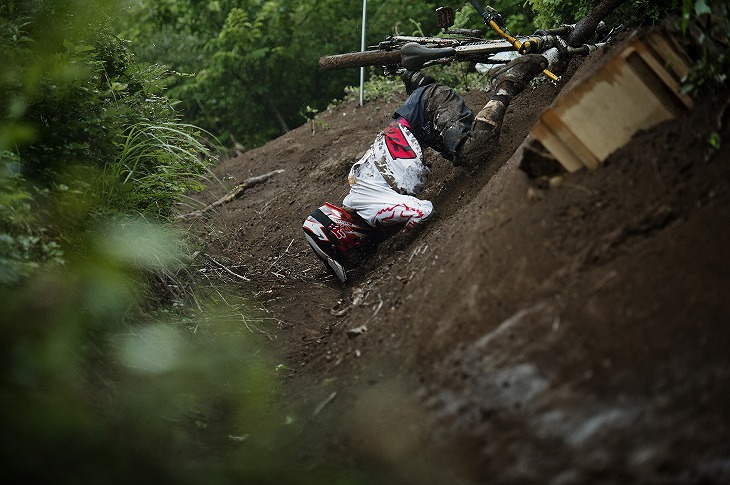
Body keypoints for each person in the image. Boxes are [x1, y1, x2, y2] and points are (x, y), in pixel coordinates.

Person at [303, 52, 552, 282]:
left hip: (428, 110)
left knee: (474, 152)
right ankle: (419, 83)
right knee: (460, 156)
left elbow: (423, 210)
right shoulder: (359, 198)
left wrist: (396, 245)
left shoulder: (373, 212)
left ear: (344, 234)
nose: (359, 255)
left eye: (351, 254)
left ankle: (507, 81)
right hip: (421, 118)